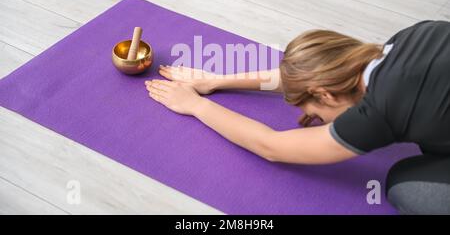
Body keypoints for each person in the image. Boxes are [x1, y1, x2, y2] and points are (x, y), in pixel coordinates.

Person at [144, 20, 450, 214]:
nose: (315, 119)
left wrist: (197, 106)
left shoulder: (375, 114)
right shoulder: (412, 37)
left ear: (326, 95)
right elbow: (305, 77)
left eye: (314, 113)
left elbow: (271, 146)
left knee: (405, 184)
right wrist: (218, 81)